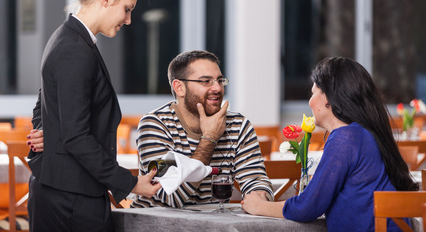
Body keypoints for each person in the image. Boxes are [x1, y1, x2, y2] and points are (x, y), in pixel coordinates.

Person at [27, 0, 161, 232]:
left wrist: (48, 132)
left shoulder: (67, 37)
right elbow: (76, 137)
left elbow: (43, 102)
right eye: (127, 9)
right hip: (71, 199)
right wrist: (132, 183)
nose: (128, 20)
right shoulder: (75, 48)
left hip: (63, 191)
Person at [241, 57, 418, 231]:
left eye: (313, 93)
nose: (310, 102)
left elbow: (307, 207)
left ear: (328, 98)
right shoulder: (362, 133)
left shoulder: (345, 138)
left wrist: (258, 206)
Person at [131, 50, 273, 208]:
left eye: (220, 80)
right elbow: (171, 196)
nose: (218, 88)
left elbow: (255, 180)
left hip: (213, 223)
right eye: (206, 81)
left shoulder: (238, 125)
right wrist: (209, 138)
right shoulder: (155, 125)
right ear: (179, 87)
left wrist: (261, 196)